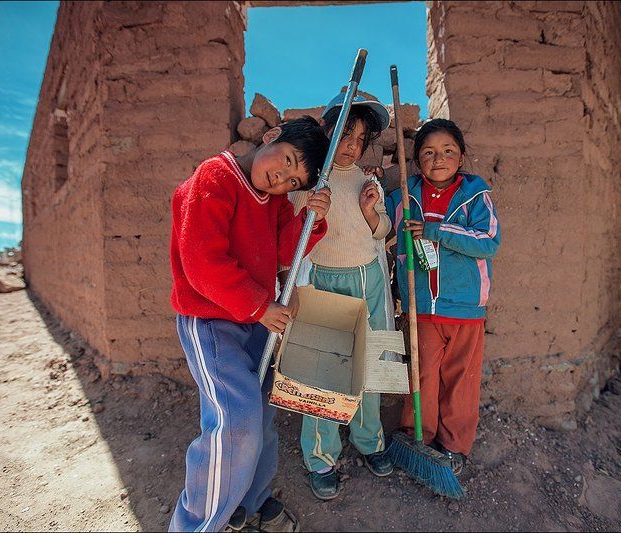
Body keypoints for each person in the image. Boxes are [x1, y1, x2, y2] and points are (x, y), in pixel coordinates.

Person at [168, 116, 331, 532]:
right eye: (289, 160)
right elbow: (202, 263)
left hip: (255, 324)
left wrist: (310, 219)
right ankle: (197, 525)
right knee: (235, 424)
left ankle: (248, 501)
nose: (282, 179)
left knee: (259, 420)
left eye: (294, 182)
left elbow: (282, 251)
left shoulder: (273, 201)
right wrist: (260, 307)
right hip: (212, 323)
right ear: (271, 137)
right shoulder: (215, 177)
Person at [287, 91, 394, 500]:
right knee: (322, 372)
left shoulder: (366, 182)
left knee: (370, 367)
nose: (350, 145)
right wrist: (309, 209)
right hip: (323, 283)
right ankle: (321, 456)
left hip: (369, 282)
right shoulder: (309, 180)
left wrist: (372, 214)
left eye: (359, 138)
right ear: (327, 131)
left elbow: (381, 232)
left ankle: (370, 440)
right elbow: (291, 240)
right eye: (344, 133)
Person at [384, 118, 501, 475]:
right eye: (429, 153)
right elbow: (376, 226)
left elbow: (488, 242)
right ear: (417, 161)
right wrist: (373, 190)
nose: (439, 159)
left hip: (465, 309)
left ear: (461, 156)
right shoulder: (405, 196)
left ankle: (454, 447)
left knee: (460, 381)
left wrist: (436, 231)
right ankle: (417, 438)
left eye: (448, 151)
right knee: (421, 377)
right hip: (421, 309)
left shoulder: (475, 196)